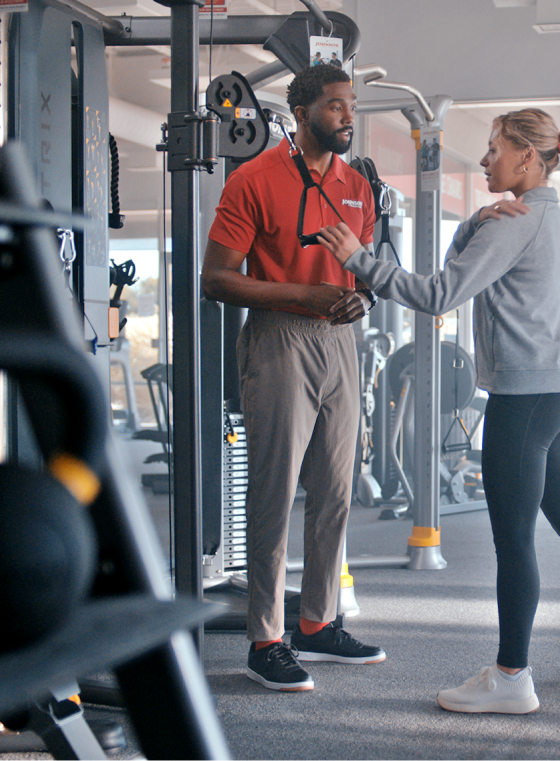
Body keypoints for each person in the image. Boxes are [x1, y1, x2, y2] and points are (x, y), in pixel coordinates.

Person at [317, 108, 560, 714]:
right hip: (557, 393)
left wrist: (357, 258)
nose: (484, 160)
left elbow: (439, 292)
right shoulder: (544, 215)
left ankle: (510, 678)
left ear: (527, 156)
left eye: (494, 148)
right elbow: (462, 265)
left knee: (514, 542)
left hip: (524, 400)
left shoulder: (514, 221)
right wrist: (474, 218)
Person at [201, 65, 385, 693]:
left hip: (341, 340)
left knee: (337, 489)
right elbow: (216, 279)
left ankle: (315, 622)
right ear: (301, 110)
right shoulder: (254, 179)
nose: (346, 116)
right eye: (334, 106)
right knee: (275, 492)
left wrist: (359, 297)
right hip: (279, 334)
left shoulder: (357, 185)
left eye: (350, 106)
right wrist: (301, 292)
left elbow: (361, 271)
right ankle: (265, 638)